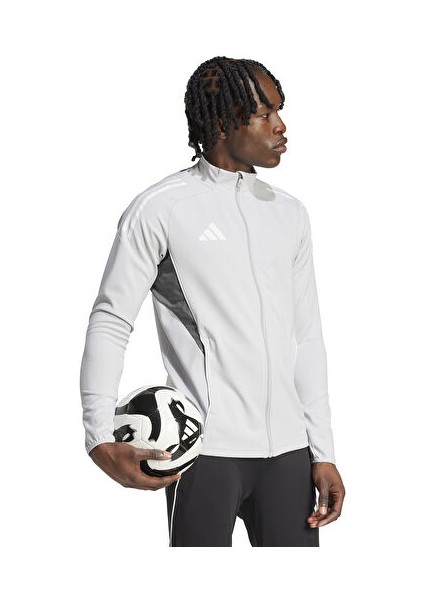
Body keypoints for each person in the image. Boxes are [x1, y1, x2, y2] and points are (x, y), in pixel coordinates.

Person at [80, 56, 345, 547]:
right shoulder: (162, 208)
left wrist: (322, 451)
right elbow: (111, 319)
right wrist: (98, 437)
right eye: (264, 114)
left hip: (289, 455)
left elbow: (306, 337)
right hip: (204, 454)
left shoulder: (289, 214)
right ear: (223, 123)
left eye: (279, 111)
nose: (280, 126)